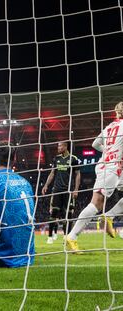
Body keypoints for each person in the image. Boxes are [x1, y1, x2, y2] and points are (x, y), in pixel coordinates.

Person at [66, 102, 123, 252]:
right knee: (96, 203)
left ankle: (109, 216)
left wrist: (108, 150)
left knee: (98, 202)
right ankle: (71, 236)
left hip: (110, 164)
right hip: (111, 167)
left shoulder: (111, 126)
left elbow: (95, 144)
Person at [42, 142, 81, 244]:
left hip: (68, 190)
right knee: (53, 213)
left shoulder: (73, 159)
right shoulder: (56, 159)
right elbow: (52, 173)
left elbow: (77, 174)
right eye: (58, 146)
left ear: (66, 146)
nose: (58, 148)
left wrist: (76, 189)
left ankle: (67, 237)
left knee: (68, 215)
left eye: (60, 146)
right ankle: (50, 236)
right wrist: (46, 185)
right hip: (57, 190)